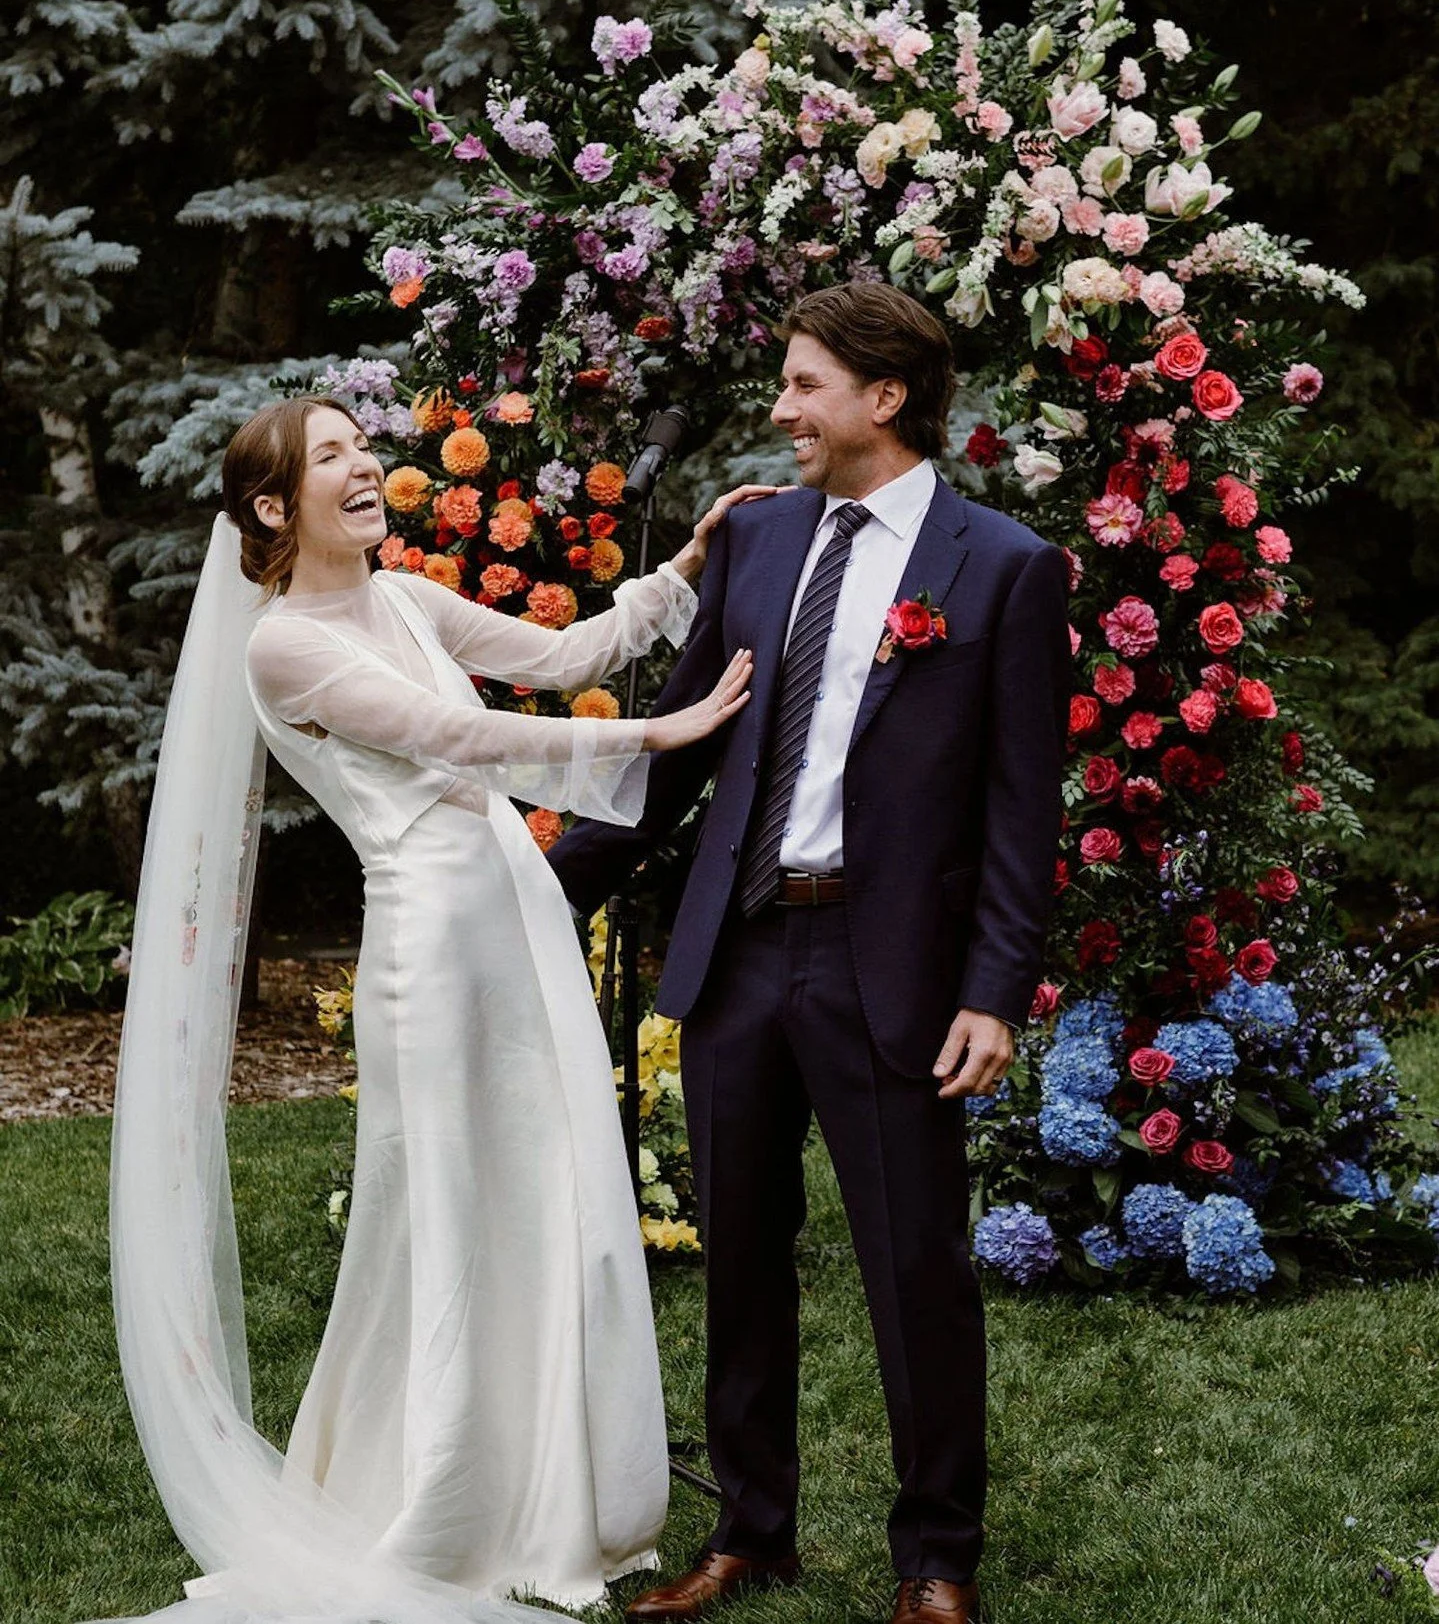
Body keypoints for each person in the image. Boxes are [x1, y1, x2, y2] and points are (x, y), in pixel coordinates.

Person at [104, 392, 771, 1624]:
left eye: (365, 445)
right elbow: (452, 733)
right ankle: (443, 1500)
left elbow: (562, 657)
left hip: (513, 917)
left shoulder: (405, 599)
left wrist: (685, 562)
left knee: (548, 1187)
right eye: (332, 456)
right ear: (273, 508)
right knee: (452, 1214)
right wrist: (663, 732)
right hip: (432, 946)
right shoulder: (281, 647)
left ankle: (548, 1489)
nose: (366, 465)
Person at [549, 282, 1071, 1624]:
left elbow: (1021, 807)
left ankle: (935, 1558)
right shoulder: (757, 538)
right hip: (738, 948)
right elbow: (676, 750)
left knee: (913, 1265)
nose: (780, 408)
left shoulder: (1000, 565)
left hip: (885, 962)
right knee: (738, 1251)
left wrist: (992, 992)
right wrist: (539, 894)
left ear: (880, 398)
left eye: (802, 384)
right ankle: (750, 1531)